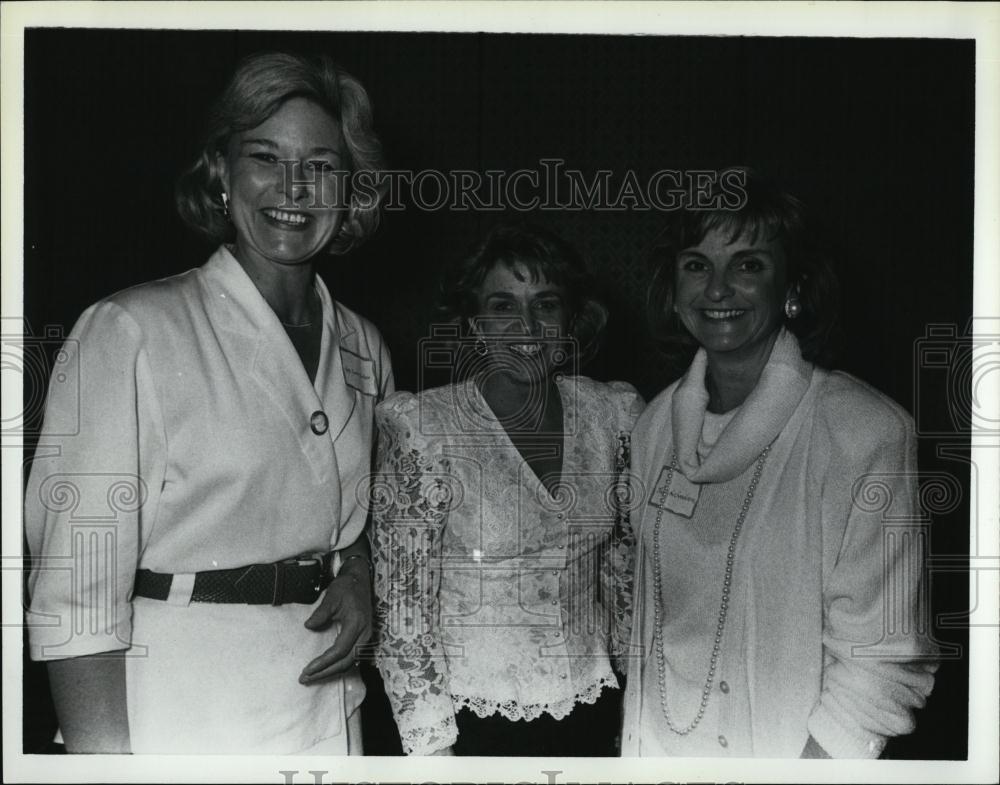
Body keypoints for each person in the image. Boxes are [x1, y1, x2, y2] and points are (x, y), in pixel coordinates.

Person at [23, 51, 393, 754]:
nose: (294, 187)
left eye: (321, 164)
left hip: (328, 713)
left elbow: (349, 510)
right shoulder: (132, 330)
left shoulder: (365, 348)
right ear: (221, 173)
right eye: (264, 157)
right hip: (179, 714)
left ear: (351, 188)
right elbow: (77, 592)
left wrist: (361, 568)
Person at [621, 168, 938, 758]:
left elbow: (883, 661)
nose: (717, 290)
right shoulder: (653, 426)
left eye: (748, 265)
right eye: (696, 264)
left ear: (791, 286)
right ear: (673, 289)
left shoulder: (863, 431)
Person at [371, 222, 643, 756]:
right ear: (475, 322)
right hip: (470, 720)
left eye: (546, 304)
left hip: (591, 708)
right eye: (503, 305)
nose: (528, 324)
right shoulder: (425, 427)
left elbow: (620, 570)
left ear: (570, 319)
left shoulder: (612, 414)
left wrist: (635, 699)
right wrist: (433, 752)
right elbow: (403, 611)